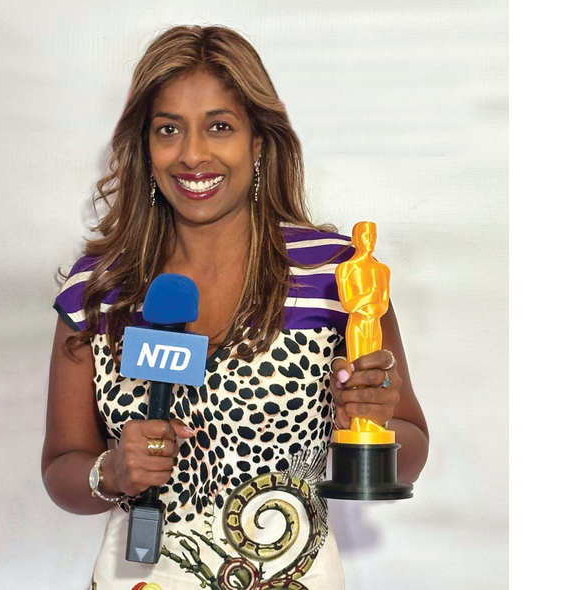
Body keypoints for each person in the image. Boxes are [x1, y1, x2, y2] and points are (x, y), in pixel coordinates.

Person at [41, 25, 428, 590]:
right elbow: (61, 469)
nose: (193, 154)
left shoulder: (338, 277)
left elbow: (411, 450)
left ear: (259, 141)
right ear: (145, 148)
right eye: (168, 129)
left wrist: (371, 425)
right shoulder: (100, 289)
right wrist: (112, 471)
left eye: (219, 127)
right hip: (139, 576)